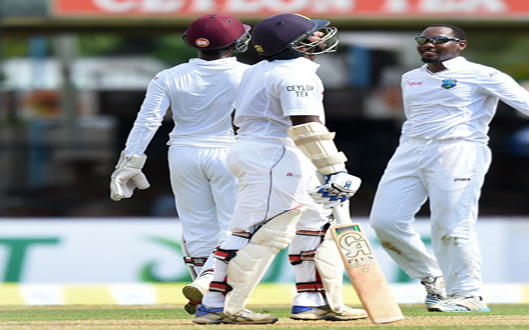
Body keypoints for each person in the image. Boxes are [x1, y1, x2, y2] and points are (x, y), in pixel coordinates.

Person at [369, 24, 529, 313]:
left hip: (458, 149)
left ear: (461, 45)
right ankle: (433, 278)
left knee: (451, 225)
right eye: (422, 40)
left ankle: (468, 295)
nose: (428, 45)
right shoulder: (410, 78)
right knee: (385, 222)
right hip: (409, 150)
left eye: (438, 40)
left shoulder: (482, 74)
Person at [192, 13, 368, 325]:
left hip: (274, 151)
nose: (319, 36)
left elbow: (241, 118)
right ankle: (219, 305)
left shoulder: (258, 70)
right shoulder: (296, 75)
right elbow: (306, 127)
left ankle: (314, 301)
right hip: (274, 155)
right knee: (260, 231)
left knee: (318, 223)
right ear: (295, 44)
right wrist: (335, 169)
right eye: (313, 34)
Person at [108, 14, 252, 315]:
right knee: (236, 227)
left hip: (183, 153)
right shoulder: (250, 75)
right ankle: (212, 282)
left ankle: (207, 299)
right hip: (229, 152)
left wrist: (130, 162)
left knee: (197, 228)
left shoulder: (168, 76)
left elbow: (148, 120)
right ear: (236, 43)